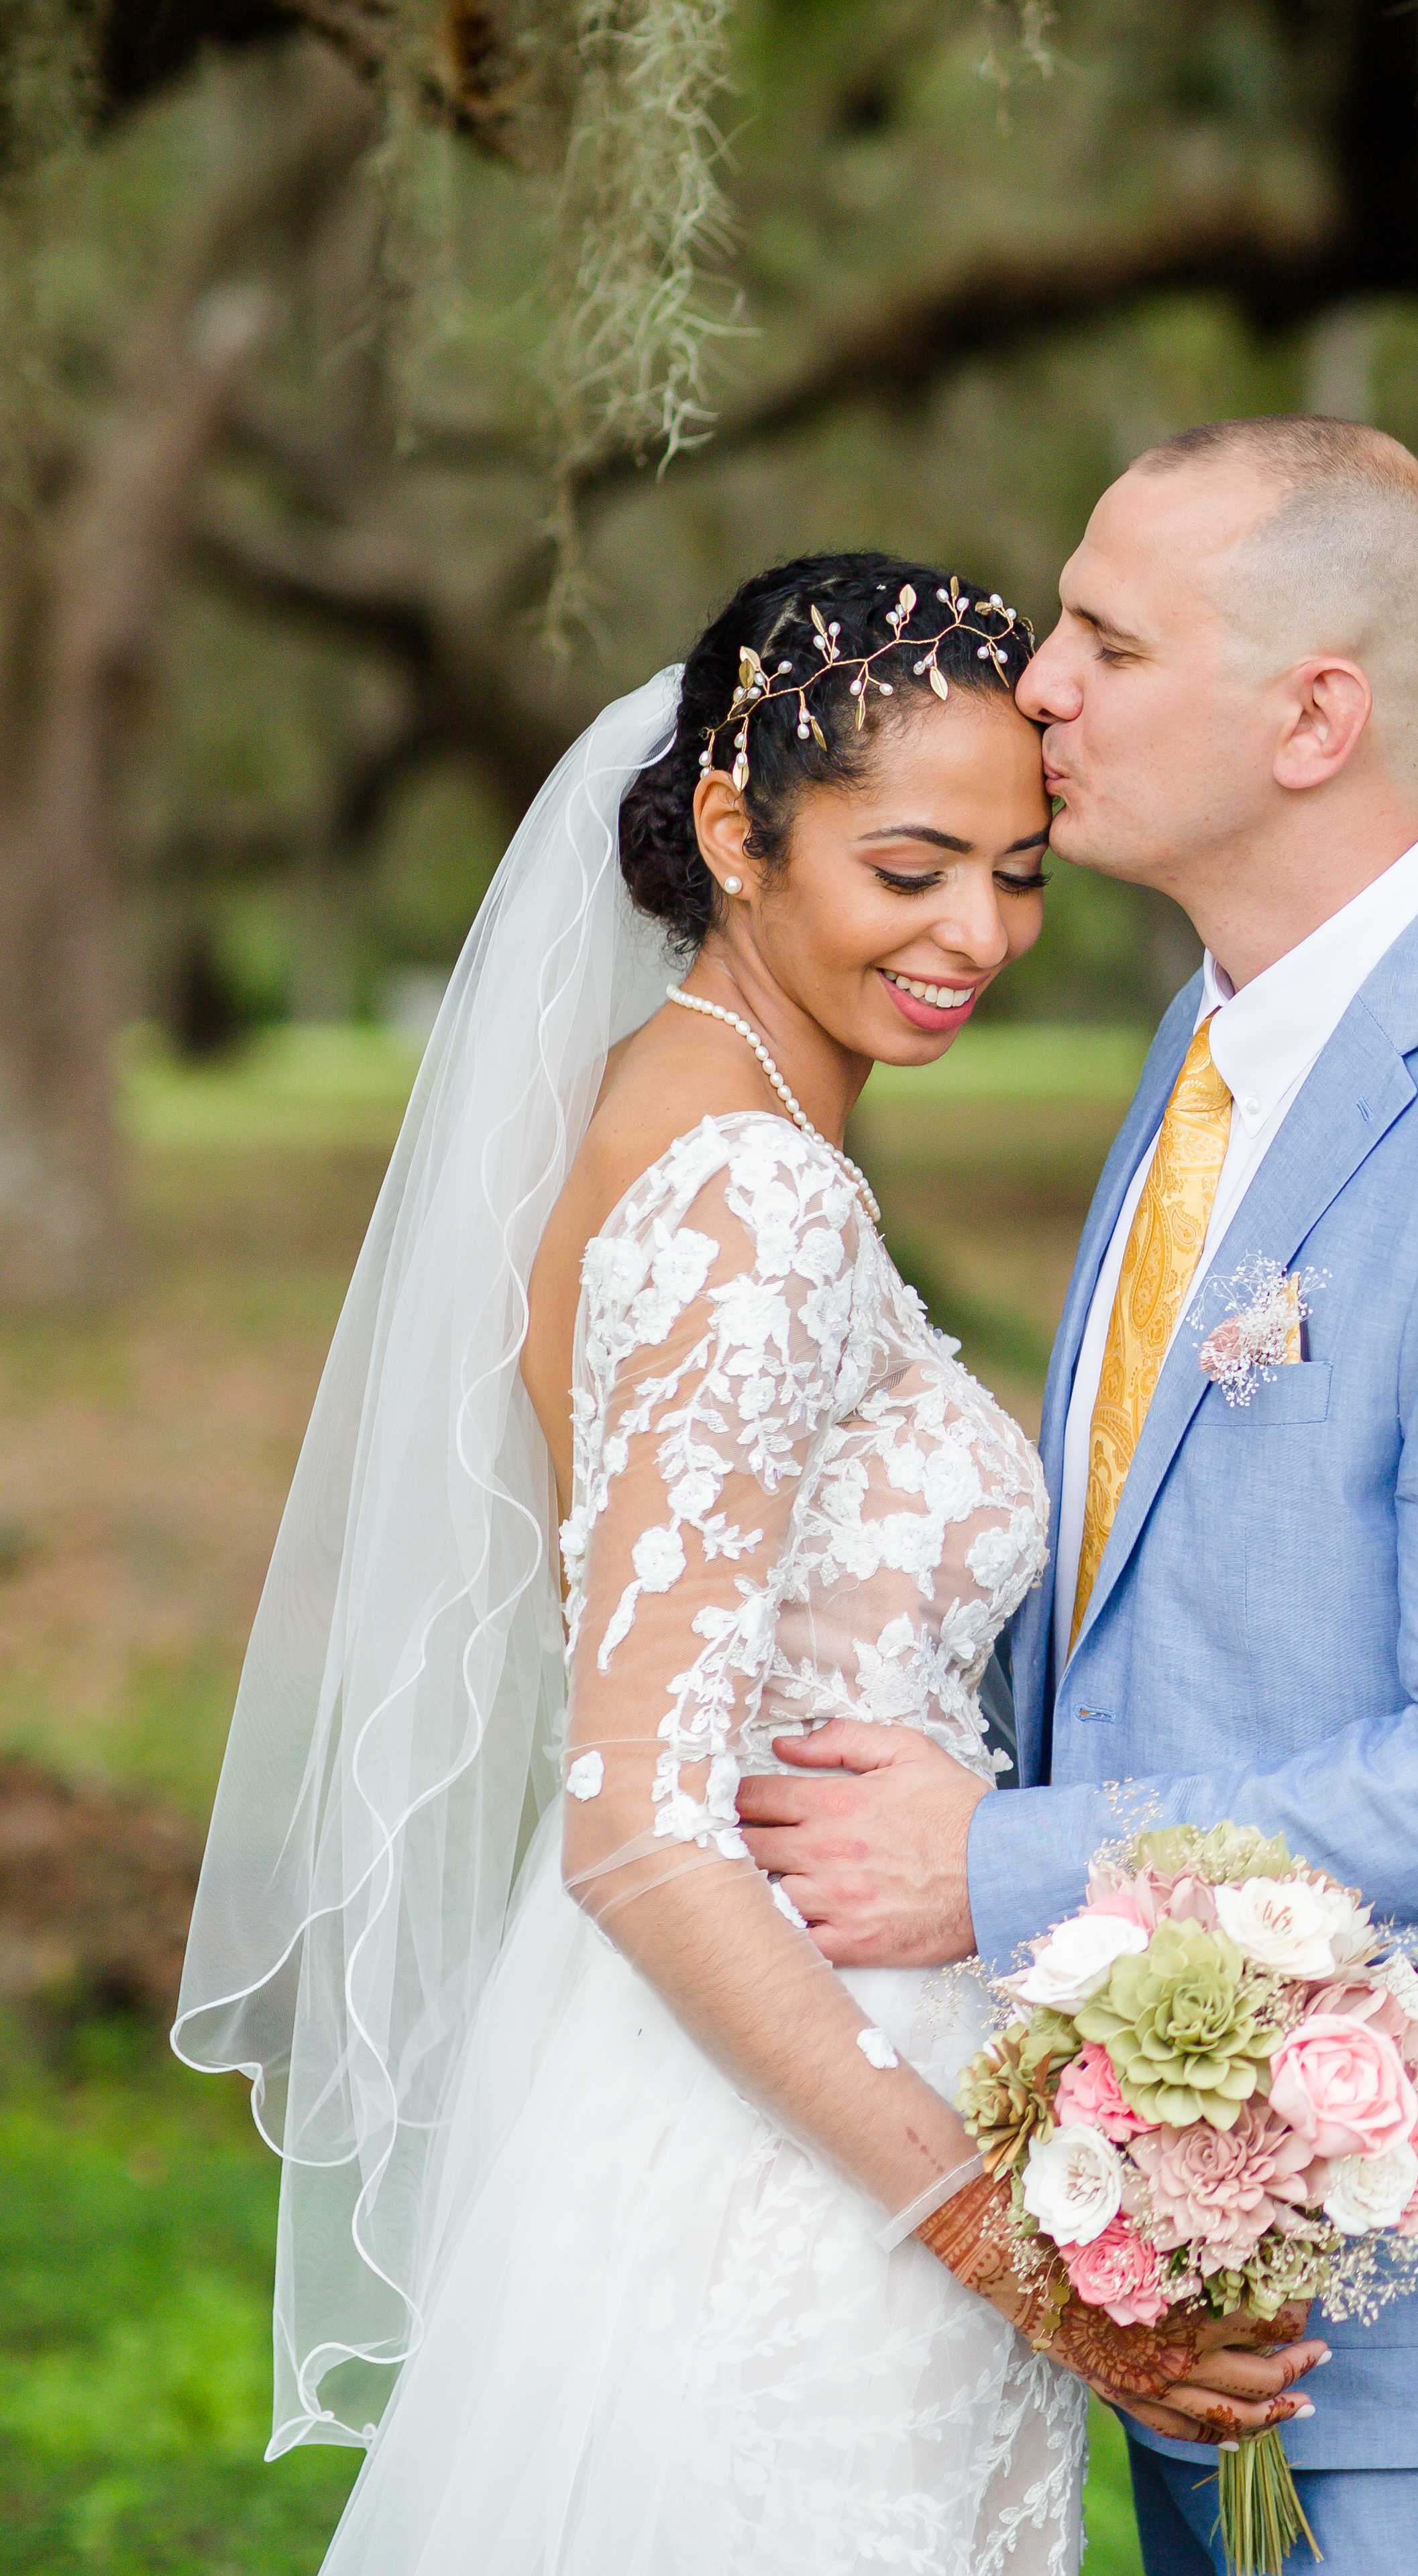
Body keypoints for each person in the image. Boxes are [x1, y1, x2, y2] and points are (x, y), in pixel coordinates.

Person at [737, 420, 1418, 2573]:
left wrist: (997, 1865)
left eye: (1110, 642)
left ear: (1315, 715)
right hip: (1194, 2264)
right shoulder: (1230, 1034)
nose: (1036, 684)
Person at [173, 553, 1306, 2572]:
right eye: (914, 865)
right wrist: (998, 2234)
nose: (980, 932)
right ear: (733, 831)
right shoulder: (751, 1196)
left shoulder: (653, 1111)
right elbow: (633, 1821)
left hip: (745, 2091)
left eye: (1023, 871)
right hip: (800, 2177)